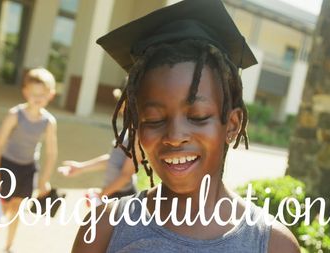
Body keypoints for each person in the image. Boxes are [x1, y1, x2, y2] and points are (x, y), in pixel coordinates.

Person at [72, 0, 300, 252]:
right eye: (155, 120)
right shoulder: (105, 227)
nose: (174, 136)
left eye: (199, 116)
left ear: (232, 125)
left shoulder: (272, 244)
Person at [0, 68, 58, 253]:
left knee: (17, 209)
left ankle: (8, 246)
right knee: (2, 208)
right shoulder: (15, 114)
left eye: (42, 94)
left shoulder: (48, 122)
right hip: (8, 166)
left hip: (28, 169)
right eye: (34, 93)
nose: (38, 97)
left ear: (51, 94)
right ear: (25, 92)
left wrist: (44, 179)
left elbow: (51, 153)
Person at [58, 88, 137, 200]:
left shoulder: (136, 137)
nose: (121, 110)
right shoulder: (127, 130)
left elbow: (125, 176)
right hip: (111, 191)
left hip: (123, 196)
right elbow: (113, 160)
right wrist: (81, 168)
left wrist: (100, 196)